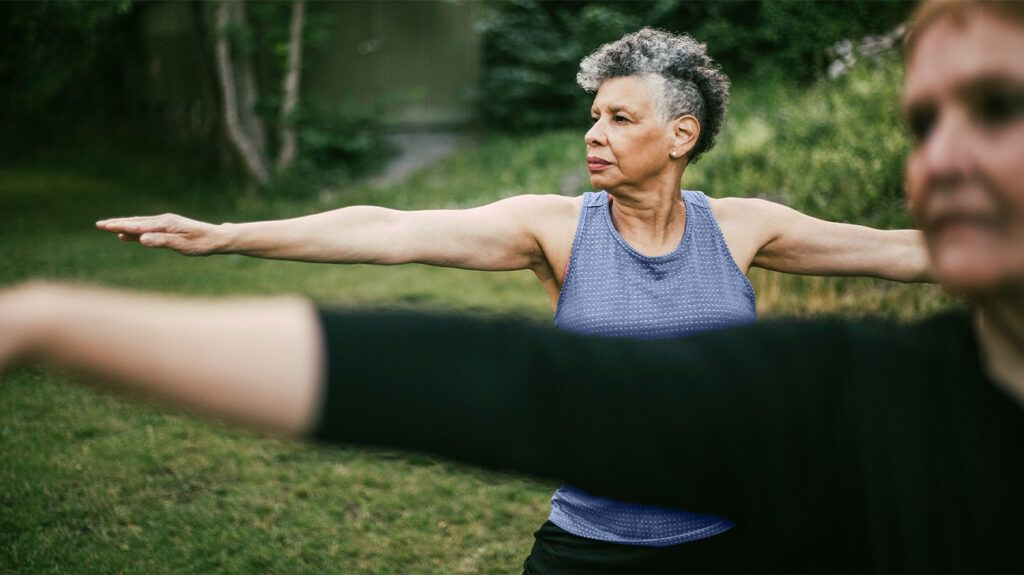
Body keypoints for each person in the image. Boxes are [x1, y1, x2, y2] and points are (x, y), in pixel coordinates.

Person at [3, 0, 1020, 570]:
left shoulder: (745, 228)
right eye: (593, 115)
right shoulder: (554, 229)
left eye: (621, 117)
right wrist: (225, 234)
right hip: (588, 553)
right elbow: (388, 229)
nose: (594, 131)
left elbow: (908, 249)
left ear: (683, 134)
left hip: (732, 544)